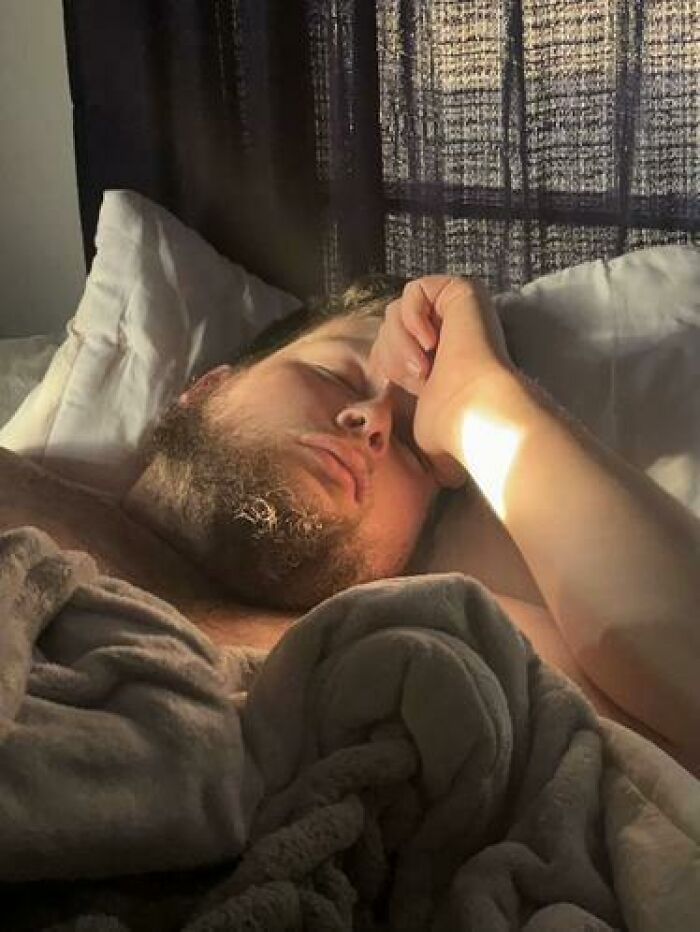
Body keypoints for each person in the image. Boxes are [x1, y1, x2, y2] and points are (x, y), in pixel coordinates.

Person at [1, 274, 698, 775]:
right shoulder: (18, 489)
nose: (371, 423)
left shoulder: (433, 634)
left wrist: (484, 399)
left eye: (407, 447)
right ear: (207, 388)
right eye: (337, 377)